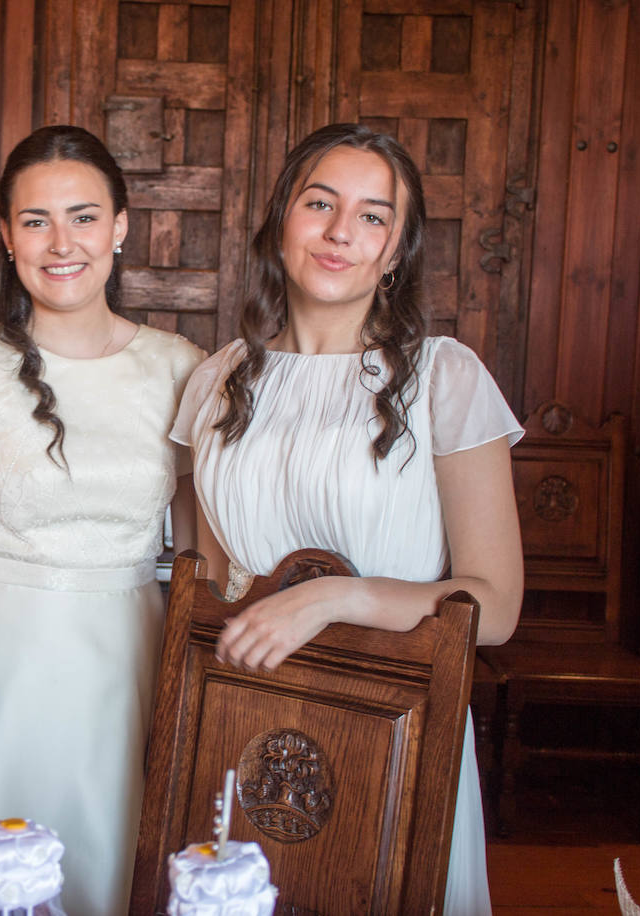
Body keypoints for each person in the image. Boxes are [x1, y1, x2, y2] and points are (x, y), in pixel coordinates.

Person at [171, 123, 523, 914]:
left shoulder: (445, 377)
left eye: (372, 216)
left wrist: (338, 596)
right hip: (246, 714)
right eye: (320, 204)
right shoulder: (217, 380)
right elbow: (196, 584)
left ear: (396, 250)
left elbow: (495, 608)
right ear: (280, 223)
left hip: (394, 720)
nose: (340, 233)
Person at [0, 125, 205, 913]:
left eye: (84, 216)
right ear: (6, 236)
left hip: (126, 673)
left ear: (121, 225)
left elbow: (202, 562)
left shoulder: (181, 368)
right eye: (35, 221)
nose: (60, 242)